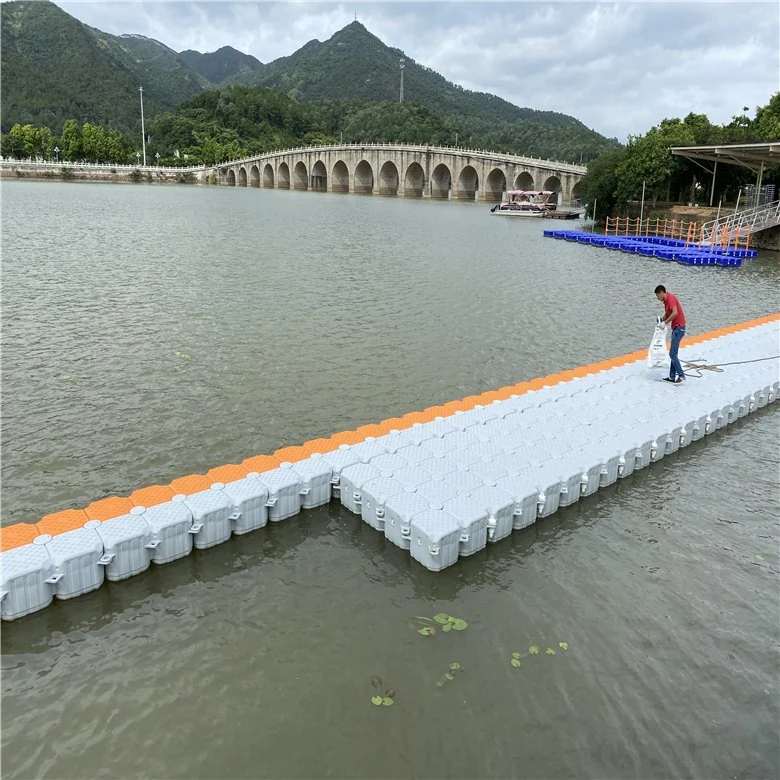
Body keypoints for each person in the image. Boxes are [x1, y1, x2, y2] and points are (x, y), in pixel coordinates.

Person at [654, 285, 686, 383]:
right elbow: (669, 313)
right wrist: (661, 319)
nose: (657, 298)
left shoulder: (670, 298)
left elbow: (675, 313)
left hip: (679, 328)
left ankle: (681, 376)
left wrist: (665, 323)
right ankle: (672, 377)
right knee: (673, 354)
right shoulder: (666, 301)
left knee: (672, 354)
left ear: (661, 293)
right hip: (676, 328)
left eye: (657, 296)